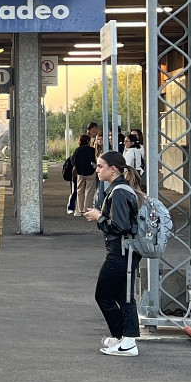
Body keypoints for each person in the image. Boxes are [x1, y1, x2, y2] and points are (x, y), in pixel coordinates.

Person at [82, 150, 140, 357]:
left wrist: (99, 217)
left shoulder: (120, 192)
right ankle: (123, 338)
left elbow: (121, 226)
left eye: (100, 166)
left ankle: (128, 340)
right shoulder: (119, 189)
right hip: (123, 251)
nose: (97, 170)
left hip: (121, 252)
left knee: (107, 295)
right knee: (122, 295)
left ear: (113, 169)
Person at [70, 133, 98, 215]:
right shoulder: (92, 150)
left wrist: (77, 167)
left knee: (79, 191)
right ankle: (87, 210)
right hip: (91, 172)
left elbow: (72, 160)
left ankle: (79, 210)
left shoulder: (77, 150)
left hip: (80, 173)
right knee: (89, 192)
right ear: (88, 141)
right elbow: (95, 160)